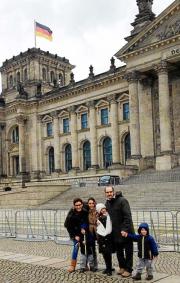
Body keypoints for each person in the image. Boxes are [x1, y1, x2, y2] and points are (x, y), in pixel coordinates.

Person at [105, 186, 134, 278]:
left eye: (110, 192)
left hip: (126, 231)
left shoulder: (122, 200)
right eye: (107, 192)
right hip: (115, 232)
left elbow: (128, 216)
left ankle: (129, 269)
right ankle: (122, 267)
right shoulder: (107, 203)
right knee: (119, 251)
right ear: (105, 193)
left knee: (128, 251)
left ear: (113, 192)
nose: (109, 193)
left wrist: (125, 229)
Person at [64, 198, 88, 273]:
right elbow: (67, 226)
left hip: (83, 233)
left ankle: (84, 265)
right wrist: (74, 236)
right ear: (74, 206)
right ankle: (72, 265)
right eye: (76, 205)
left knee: (84, 248)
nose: (78, 207)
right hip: (75, 234)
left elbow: (87, 221)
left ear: (82, 204)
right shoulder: (71, 214)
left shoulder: (85, 211)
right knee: (76, 248)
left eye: (79, 205)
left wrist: (85, 228)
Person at [96, 203, 113, 276]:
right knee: (104, 254)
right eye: (101, 209)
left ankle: (109, 269)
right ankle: (107, 267)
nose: (103, 210)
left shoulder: (108, 217)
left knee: (107, 254)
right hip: (101, 238)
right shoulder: (99, 218)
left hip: (107, 238)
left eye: (104, 209)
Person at [87, 197, 98, 272]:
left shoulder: (97, 211)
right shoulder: (86, 211)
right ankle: (92, 265)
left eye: (92, 203)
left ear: (94, 203)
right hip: (90, 231)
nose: (91, 205)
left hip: (97, 230)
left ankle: (108, 266)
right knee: (91, 249)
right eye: (89, 203)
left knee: (102, 248)